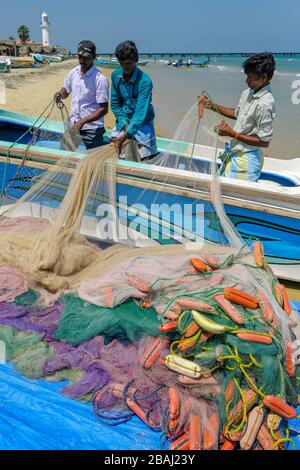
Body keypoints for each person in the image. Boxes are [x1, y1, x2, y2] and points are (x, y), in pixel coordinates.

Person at [198, 52, 276, 181]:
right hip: (234, 154)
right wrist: (210, 105)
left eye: (250, 78)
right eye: (246, 76)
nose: (246, 81)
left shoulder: (265, 103)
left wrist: (231, 133)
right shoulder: (248, 93)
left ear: (264, 77)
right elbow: (237, 114)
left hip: (246, 162)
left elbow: (264, 141)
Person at [55, 40, 109, 150]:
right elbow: (66, 90)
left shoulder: (100, 79)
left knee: (92, 162)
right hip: (73, 124)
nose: (82, 60)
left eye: (86, 58)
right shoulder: (73, 72)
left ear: (94, 57)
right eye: (80, 57)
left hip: (92, 129)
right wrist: (60, 94)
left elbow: (103, 109)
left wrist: (82, 122)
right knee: (64, 154)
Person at [110, 40, 157, 160]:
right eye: (122, 63)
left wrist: (126, 134)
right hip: (123, 122)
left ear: (136, 60)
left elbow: (140, 113)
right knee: (116, 157)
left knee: (146, 159)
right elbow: (115, 104)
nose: (125, 67)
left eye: (129, 63)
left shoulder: (145, 82)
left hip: (142, 124)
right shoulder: (116, 76)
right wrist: (125, 126)